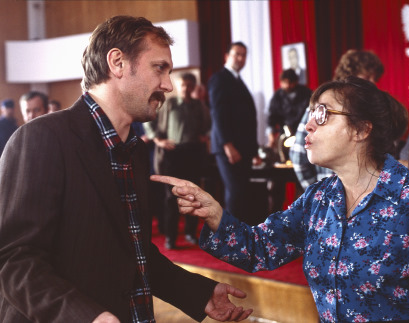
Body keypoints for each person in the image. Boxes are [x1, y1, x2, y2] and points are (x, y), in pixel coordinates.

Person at [154, 76, 409, 322]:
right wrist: (214, 213)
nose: (308, 125)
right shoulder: (319, 199)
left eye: (322, 114)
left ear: (361, 130)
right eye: (310, 114)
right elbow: (259, 248)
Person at [0, 16, 252, 323]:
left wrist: (199, 293)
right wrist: (87, 317)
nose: (168, 85)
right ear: (117, 62)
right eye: (159, 68)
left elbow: (132, 252)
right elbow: (14, 260)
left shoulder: (136, 150)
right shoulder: (40, 138)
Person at [290, 49, 385, 190]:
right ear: (350, 75)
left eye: (374, 79)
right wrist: (319, 193)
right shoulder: (321, 108)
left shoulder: (374, 110)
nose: (372, 84)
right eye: (367, 77)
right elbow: (298, 156)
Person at [144, 72, 211, 249]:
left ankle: (190, 233)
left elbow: (207, 125)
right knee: (171, 198)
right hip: (173, 154)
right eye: (183, 85)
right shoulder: (169, 103)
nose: (186, 89)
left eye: (190, 86)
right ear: (178, 86)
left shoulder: (199, 105)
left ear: (194, 87)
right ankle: (170, 237)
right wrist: (157, 139)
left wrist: (204, 136)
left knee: (192, 195)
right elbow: (147, 118)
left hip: (193, 153)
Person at [208, 41, 261, 224]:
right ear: (227, 56)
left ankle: (241, 240)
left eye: (243, 55)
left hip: (243, 148)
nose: (240, 58)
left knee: (243, 194)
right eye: (236, 54)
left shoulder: (238, 80)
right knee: (236, 193)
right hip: (228, 148)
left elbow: (247, 119)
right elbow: (218, 114)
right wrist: (227, 145)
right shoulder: (219, 79)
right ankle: (230, 240)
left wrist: (254, 151)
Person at [266, 68, 312, 149]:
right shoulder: (277, 97)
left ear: (295, 82)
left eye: (290, 83)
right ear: (281, 82)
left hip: (304, 133)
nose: (287, 85)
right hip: (285, 136)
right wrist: (271, 138)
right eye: (284, 82)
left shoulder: (306, 94)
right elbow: (271, 119)